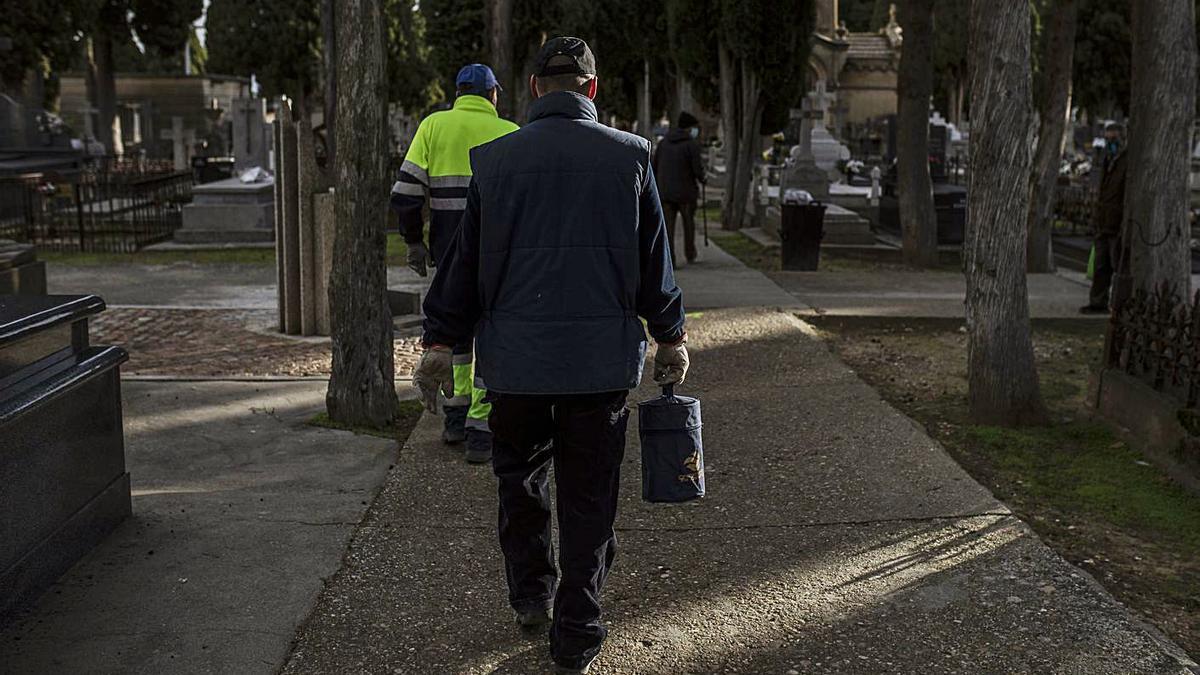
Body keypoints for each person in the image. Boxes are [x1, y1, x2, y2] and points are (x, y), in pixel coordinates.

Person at [411, 36, 688, 674]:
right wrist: (670, 336)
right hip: (599, 365)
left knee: (520, 482)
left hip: (517, 364)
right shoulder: (632, 159)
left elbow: (463, 268)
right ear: (592, 90)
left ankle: (530, 592)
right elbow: (655, 267)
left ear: (534, 89)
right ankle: (579, 626)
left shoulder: (495, 161)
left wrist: (438, 343)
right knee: (590, 495)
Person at [390, 63, 519, 462]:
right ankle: (482, 428)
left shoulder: (433, 126)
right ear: (493, 95)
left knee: (455, 335)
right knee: (490, 336)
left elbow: (407, 193)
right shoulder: (511, 133)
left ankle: (455, 416)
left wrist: (413, 241)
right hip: (499, 259)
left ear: (458, 93)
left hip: (448, 253)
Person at [1081, 122, 1127, 314]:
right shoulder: (1106, 160)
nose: (1110, 143)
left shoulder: (1126, 160)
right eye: (1107, 139)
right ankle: (1098, 301)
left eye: (1113, 139)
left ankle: (1119, 305)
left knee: (1118, 266)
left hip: (1117, 222)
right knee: (1100, 266)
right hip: (1103, 220)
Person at [652, 111, 706, 266]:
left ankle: (670, 259)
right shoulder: (691, 145)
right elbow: (697, 169)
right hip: (686, 192)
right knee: (689, 224)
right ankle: (690, 254)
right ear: (689, 128)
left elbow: (655, 167)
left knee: (668, 228)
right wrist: (703, 178)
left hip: (666, 192)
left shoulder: (663, 143)